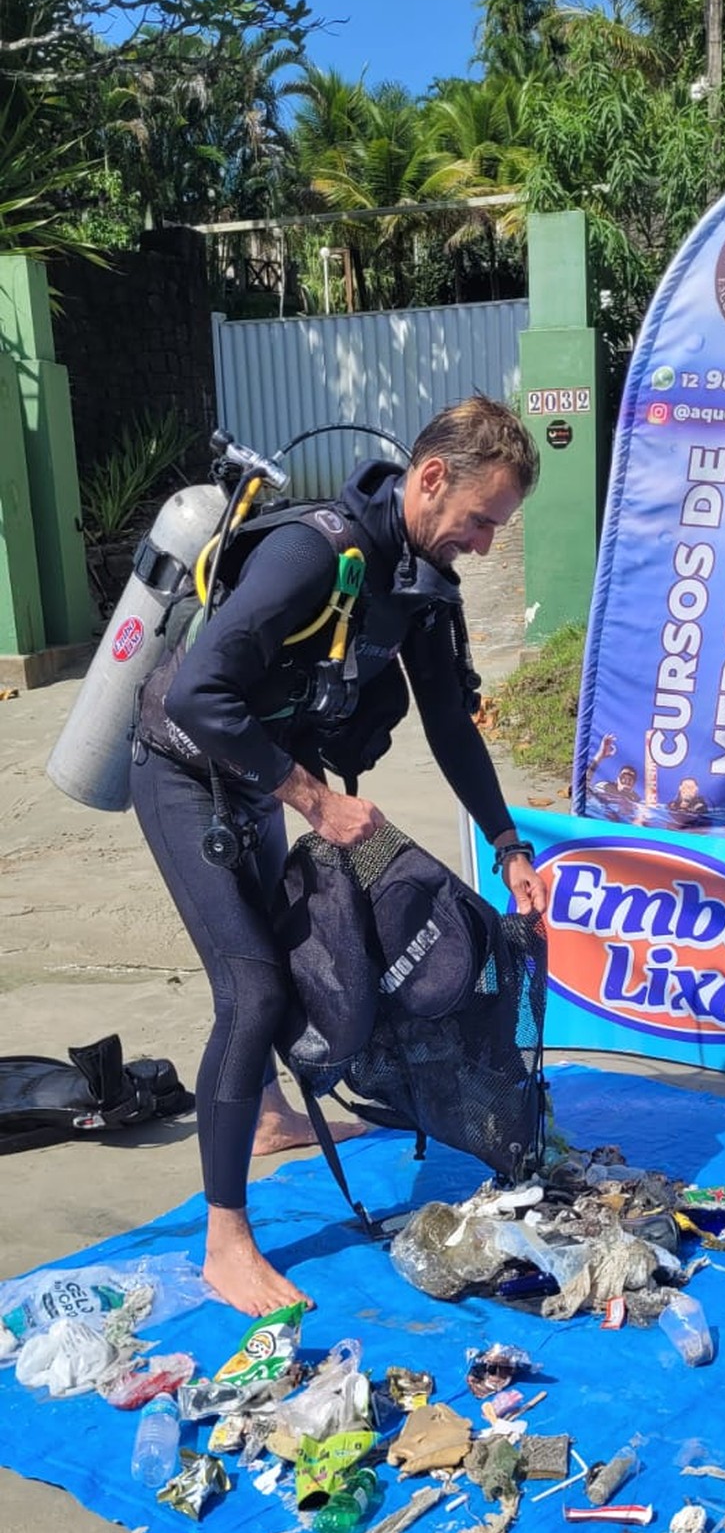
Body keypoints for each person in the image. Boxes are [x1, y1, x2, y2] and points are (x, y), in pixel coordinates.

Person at [131, 395, 547, 1317]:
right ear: (431, 479)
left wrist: (508, 842)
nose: (485, 543)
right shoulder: (312, 551)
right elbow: (200, 695)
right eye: (483, 520)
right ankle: (225, 1239)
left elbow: (449, 723)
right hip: (179, 767)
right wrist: (314, 800)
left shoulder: (420, 577)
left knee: (278, 962)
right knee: (257, 989)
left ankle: (269, 1115)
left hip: (259, 775)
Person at [586, 733, 641, 822]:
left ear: (634, 785)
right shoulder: (604, 787)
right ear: (617, 780)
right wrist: (600, 755)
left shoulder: (636, 801)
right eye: (624, 777)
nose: (627, 780)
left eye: (631, 779)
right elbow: (584, 783)